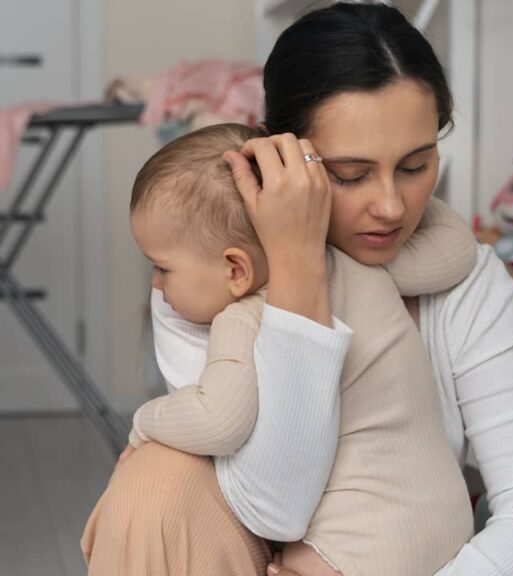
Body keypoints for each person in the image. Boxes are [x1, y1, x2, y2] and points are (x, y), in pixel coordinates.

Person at [84, 3, 513, 575]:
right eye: (350, 174)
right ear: (276, 156)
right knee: (154, 483)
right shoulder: (206, 280)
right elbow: (275, 510)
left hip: (405, 559)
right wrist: (297, 271)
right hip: (243, 545)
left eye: (417, 165)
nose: (392, 207)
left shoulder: (465, 282)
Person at [84, 122, 479, 575]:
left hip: (356, 548)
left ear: (236, 270)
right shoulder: (357, 259)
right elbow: (456, 251)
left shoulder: (242, 318)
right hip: (446, 517)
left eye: (161, 268)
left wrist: (144, 422)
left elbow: (220, 420)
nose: (155, 285)